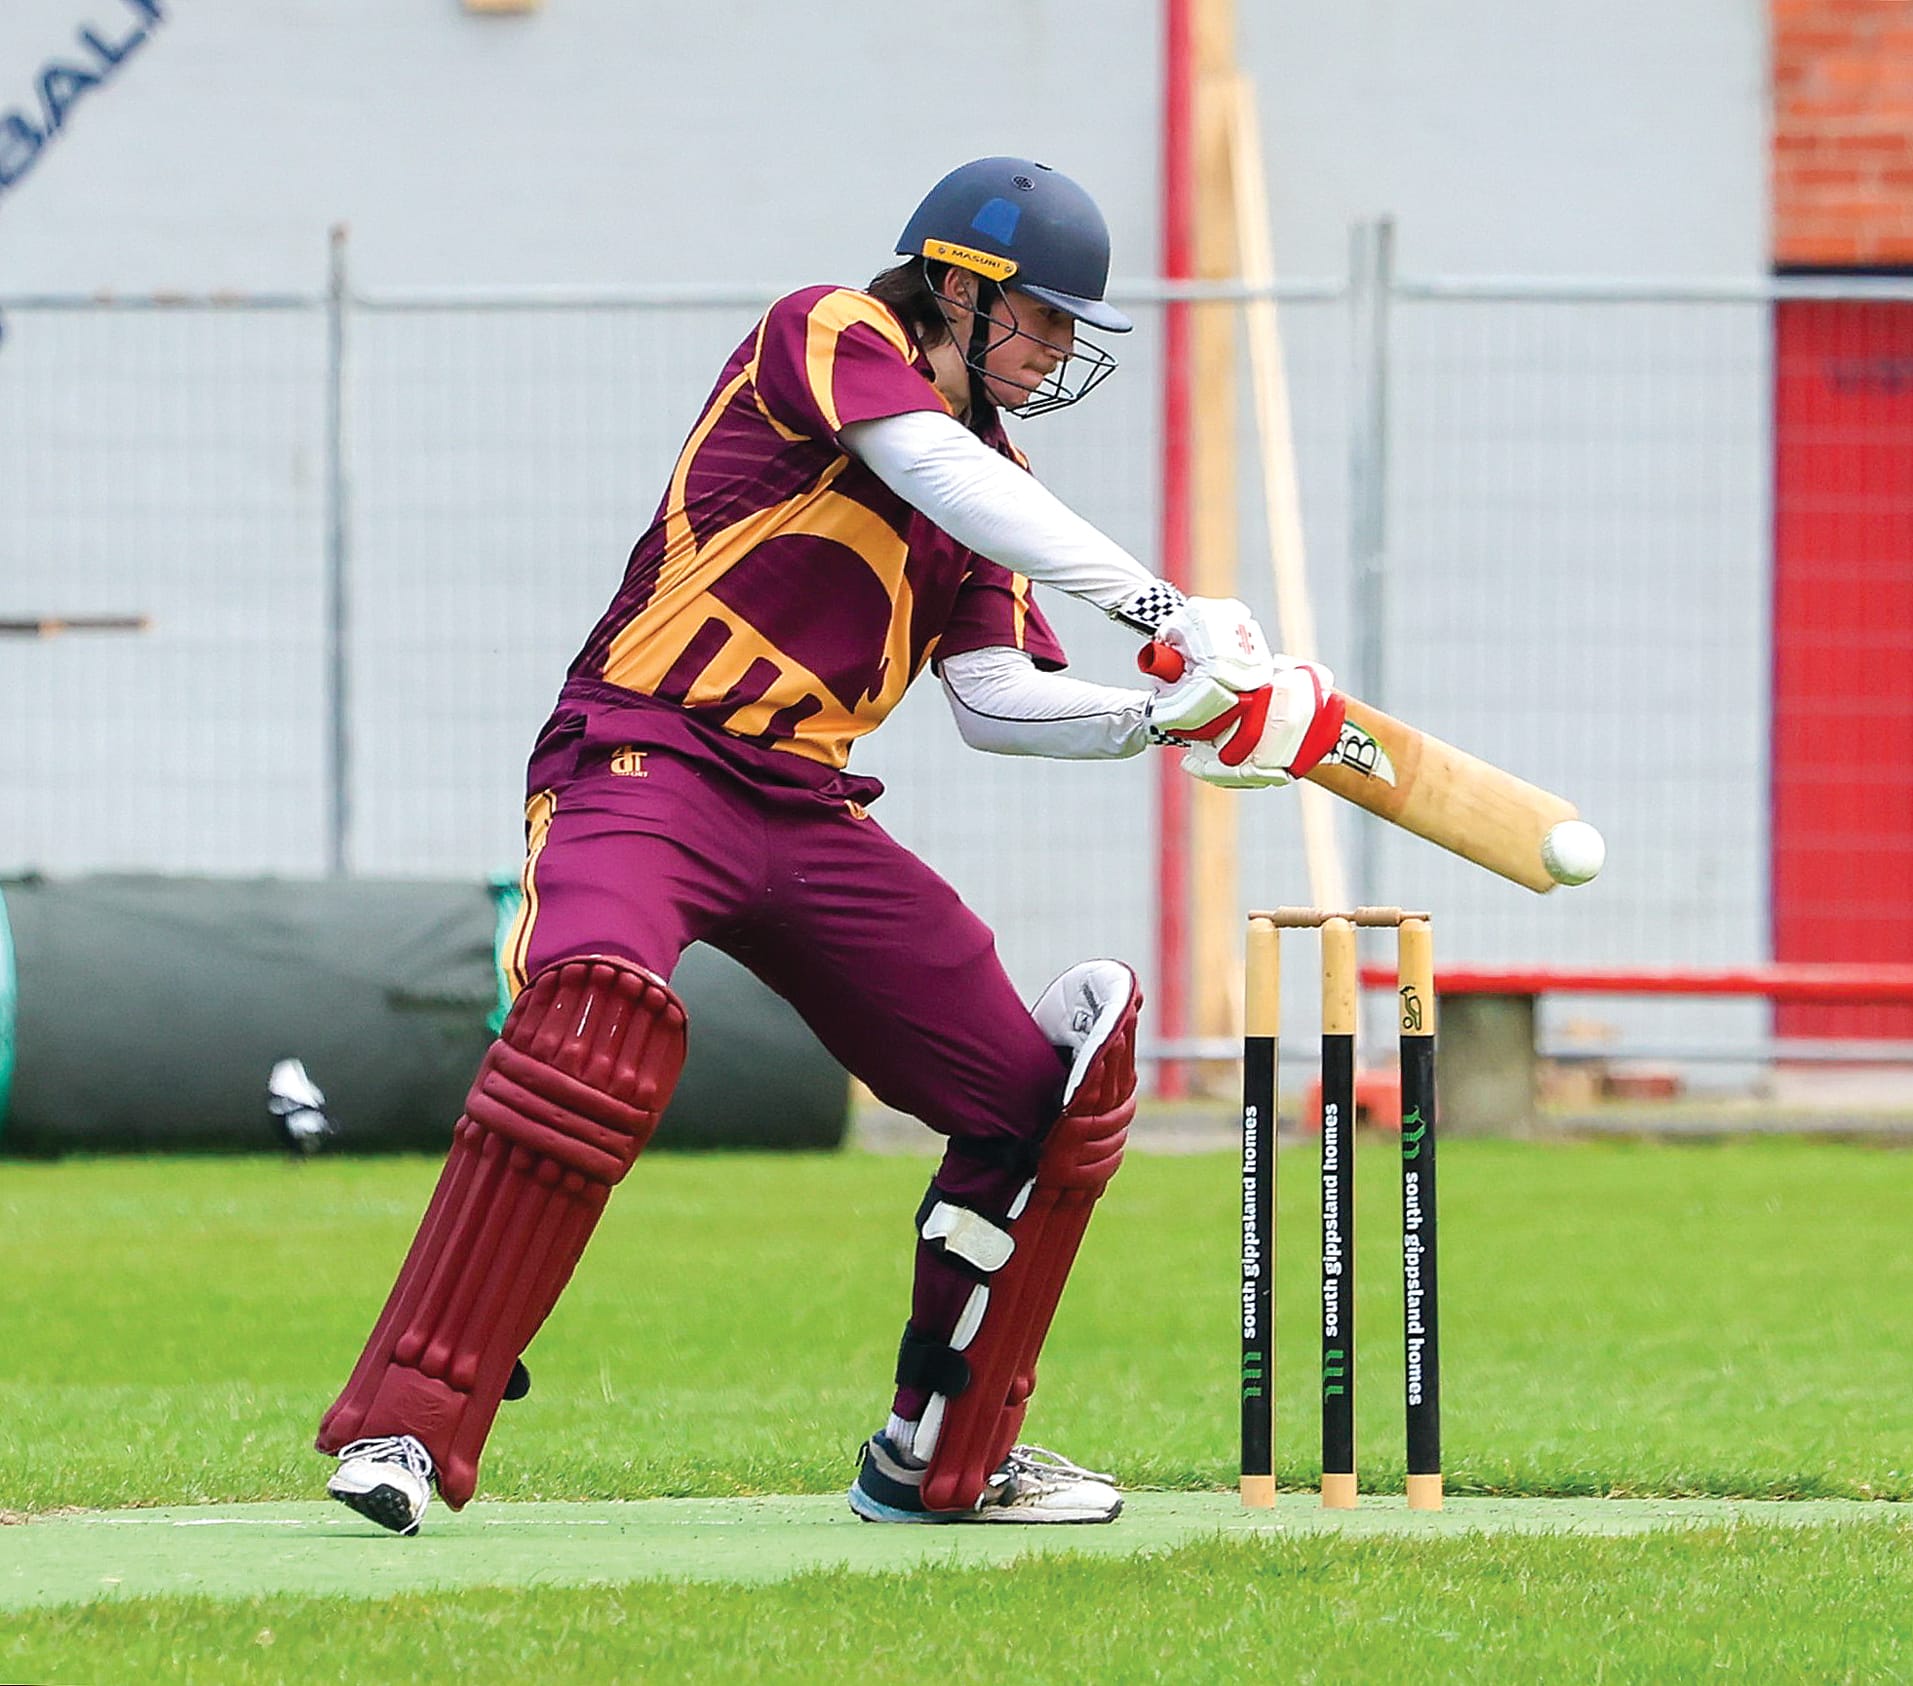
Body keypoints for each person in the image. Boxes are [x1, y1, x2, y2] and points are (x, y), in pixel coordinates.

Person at [315, 156, 1340, 1536]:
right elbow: (921, 459)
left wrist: (1170, 716)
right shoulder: (829, 333)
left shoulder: (996, 492)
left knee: (1033, 1099)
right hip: (646, 758)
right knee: (590, 1025)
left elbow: (992, 701)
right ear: (958, 293)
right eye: (1033, 319)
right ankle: (402, 1425)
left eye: (1062, 331)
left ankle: (940, 1451)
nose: (1049, 353)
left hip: (803, 806)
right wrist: (1160, 605)